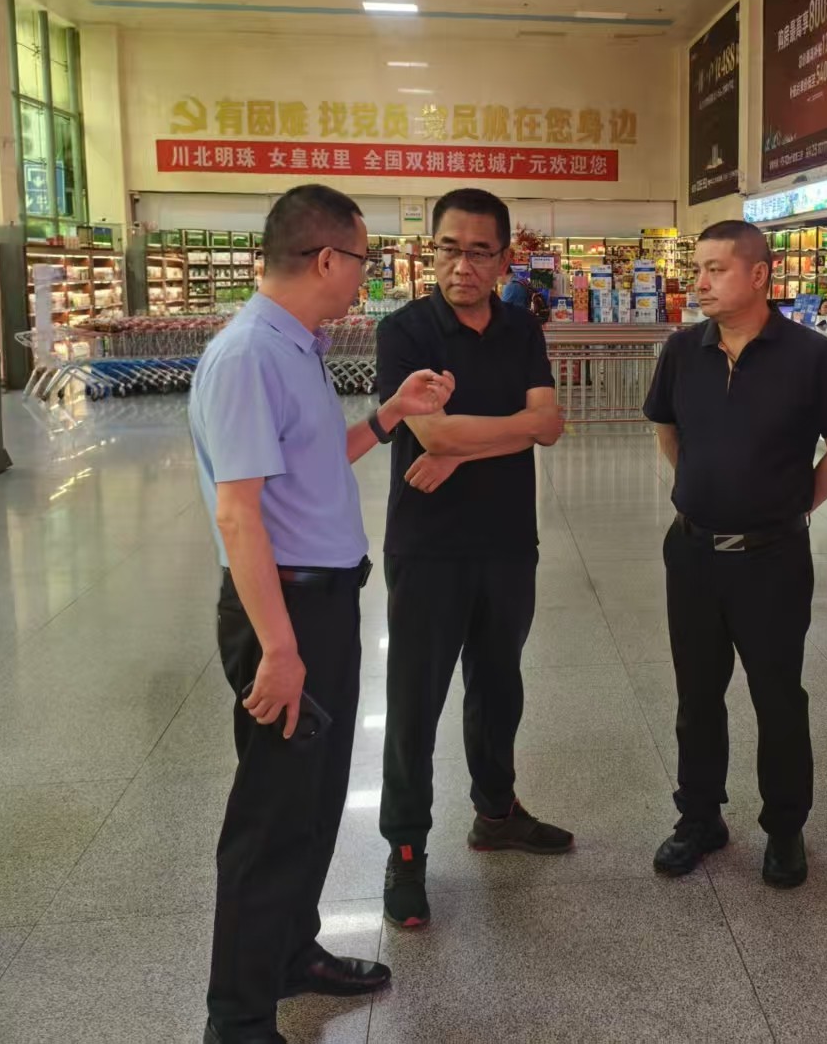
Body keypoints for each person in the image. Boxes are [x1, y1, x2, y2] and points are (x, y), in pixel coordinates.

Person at [188, 184, 454, 1044]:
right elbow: (239, 514)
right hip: (286, 610)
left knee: (313, 799)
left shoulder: (296, 345)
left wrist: (390, 416)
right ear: (328, 258)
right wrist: (278, 648)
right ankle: (237, 1018)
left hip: (324, 603)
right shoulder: (247, 355)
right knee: (270, 816)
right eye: (364, 260)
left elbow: (311, 462)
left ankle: (290, 953)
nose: (366, 277)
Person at [374, 186, 572, 929]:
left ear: (504, 257)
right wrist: (485, 434)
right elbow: (434, 434)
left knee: (498, 687)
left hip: (508, 541)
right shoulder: (405, 332)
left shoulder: (522, 327)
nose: (462, 266)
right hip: (428, 547)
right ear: (432, 251)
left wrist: (463, 445)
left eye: (479, 252)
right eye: (449, 249)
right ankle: (406, 849)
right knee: (415, 702)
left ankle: (496, 812)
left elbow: (551, 423)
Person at [642, 220, 827, 888]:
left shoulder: (811, 355)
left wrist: (790, 507)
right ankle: (699, 817)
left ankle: (785, 827)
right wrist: (703, 493)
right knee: (696, 694)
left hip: (773, 559)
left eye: (716, 269)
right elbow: (667, 430)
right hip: (694, 553)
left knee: (778, 694)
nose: (699, 283)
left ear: (760, 274)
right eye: (697, 269)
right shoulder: (683, 350)